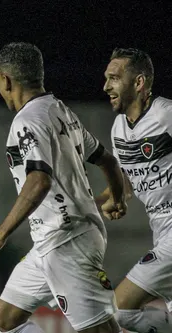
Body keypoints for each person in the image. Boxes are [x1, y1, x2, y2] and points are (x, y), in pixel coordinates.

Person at [0, 42, 127, 333]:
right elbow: (107, 160)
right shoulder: (60, 112)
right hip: (49, 243)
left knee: (100, 330)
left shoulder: (28, 120)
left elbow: (38, 180)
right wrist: (116, 199)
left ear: (6, 79)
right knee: (6, 319)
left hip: (68, 242)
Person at [98, 47, 172, 332]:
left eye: (114, 78)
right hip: (161, 232)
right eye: (106, 78)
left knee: (120, 309)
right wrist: (95, 203)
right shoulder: (119, 129)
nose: (106, 86)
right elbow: (124, 186)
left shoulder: (165, 114)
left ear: (139, 83)